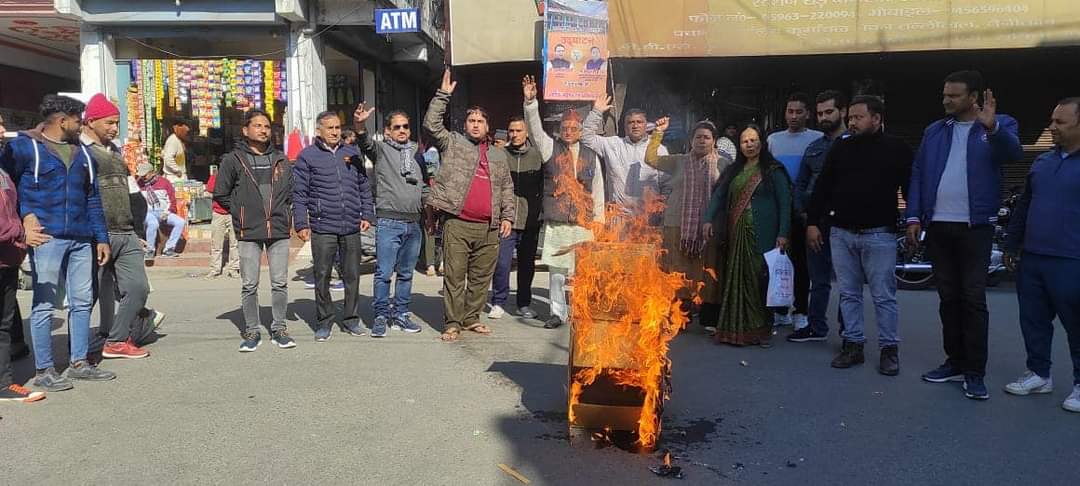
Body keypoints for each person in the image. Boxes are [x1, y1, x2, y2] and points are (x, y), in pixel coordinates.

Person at [907, 71, 1023, 400]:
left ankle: (975, 372)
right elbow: (918, 172)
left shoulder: (1000, 124)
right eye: (945, 94)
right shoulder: (934, 130)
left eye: (954, 95)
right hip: (938, 225)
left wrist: (993, 127)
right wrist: (913, 215)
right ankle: (954, 362)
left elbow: (1013, 154)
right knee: (948, 297)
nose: (946, 100)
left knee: (973, 298)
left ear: (973, 97)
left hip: (976, 227)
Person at [0, 94, 116, 390]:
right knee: (44, 303)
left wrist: (100, 237)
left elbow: (92, 197)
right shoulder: (23, 147)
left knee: (82, 301)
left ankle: (79, 363)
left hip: (81, 237)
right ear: (62, 121)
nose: (81, 126)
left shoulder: (83, 153)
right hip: (46, 238)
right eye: (78, 121)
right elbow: (7, 191)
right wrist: (24, 219)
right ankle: (44, 369)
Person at [807, 95, 912, 375]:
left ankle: (889, 350)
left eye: (858, 117)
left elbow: (910, 187)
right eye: (850, 117)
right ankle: (853, 345)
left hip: (880, 234)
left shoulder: (897, 148)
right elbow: (823, 187)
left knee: (883, 296)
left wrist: (914, 219)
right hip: (841, 234)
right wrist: (813, 222)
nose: (852, 122)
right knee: (848, 294)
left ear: (876, 118)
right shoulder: (841, 148)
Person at [423, 69, 515, 341]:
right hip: (458, 223)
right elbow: (431, 125)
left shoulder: (498, 155)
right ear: (465, 125)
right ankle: (452, 322)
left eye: (480, 121)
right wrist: (443, 95)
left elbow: (507, 188)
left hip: (489, 227)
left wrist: (507, 216)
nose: (475, 125)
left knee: (480, 277)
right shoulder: (453, 142)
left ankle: (471, 318)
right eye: (471, 120)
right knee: (454, 276)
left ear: (488, 126)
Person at [1002, 97, 1080, 413]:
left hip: (1072, 259)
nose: (1052, 127)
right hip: (1033, 257)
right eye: (1052, 120)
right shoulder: (1042, 162)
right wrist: (1011, 244)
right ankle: (1039, 374)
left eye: (1060, 122)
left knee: (1077, 324)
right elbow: (1024, 205)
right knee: (1033, 320)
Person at [523, 75, 604, 329]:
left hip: (583, 223)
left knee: (583, 272)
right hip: (558, 222)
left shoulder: (592, 155)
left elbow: (598, 190)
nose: (569, 131)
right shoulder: (550, 148)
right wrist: (531, 104)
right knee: (557, 272)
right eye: (565, 127)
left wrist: (599, 220)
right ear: (560, 129)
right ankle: (558, 313)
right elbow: (535, 131)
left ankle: (581, 311)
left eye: (573, 128)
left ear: (580, 131)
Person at [213, 109, 296, 352]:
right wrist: (242, 212)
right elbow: (221, 193)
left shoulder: (281, 159)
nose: (263, 130)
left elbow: (291, 192)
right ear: (245, 130)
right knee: (249, 284)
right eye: (258, 125)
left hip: (278, 228)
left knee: (279, 282)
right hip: (248, 230)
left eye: (267, 126)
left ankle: (279, 328)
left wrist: (286, 214)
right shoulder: (233, 160)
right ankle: (252, 330)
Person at [80, 94, 156, 359]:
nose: (114, 128)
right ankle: (77, 351)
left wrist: (138, 232)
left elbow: (134, 195)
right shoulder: (80, 152)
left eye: (117, 123)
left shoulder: (116, 153)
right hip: (98, 234)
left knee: (138, 288)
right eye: (110, 122)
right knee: (87, 295)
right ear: (91, 121)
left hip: (126, 232)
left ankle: (116, 340)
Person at [704, 125, 791, 346]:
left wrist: (783, 233)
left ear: (762, 142)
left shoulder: (773, 170)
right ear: (739, 146)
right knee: (736, 278)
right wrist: (708, 219)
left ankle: (762, 330)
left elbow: (785, 203)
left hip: (764, 233)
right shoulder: (734, 171)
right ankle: (736, 328)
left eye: (753, 140)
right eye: (744, 141)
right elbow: (719, 196)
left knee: (759, 279)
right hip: (736, 233)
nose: (749, 145)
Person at [292, 111, 374, 341]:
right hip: (323, 225)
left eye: (338, 127)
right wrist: (301, 223)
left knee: (352, 275)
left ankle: (351, 319)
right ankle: (324, 321)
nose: (335, 132)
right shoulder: (307, 156)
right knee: (322, 275)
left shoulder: (351, 153)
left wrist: (367, 213)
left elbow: (363, 186)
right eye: (330, 128)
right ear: (319, 130)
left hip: (350, 224)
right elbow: (300, 193)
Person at [647, 118, 733, 334]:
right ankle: (680, 317)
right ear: (691, 140)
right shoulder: (679, 161)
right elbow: (650, 159)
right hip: (678, 226)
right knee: (678, 271)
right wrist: (658, 133)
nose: (702, 141)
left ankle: (709, 317)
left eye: (706, 137)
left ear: (714, 141)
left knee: (709, 271)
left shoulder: (724, 164)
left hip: (709, 228)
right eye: (698, 137)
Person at [353, 104, 426, 337]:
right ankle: (381, 316)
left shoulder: (416, 153)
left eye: (405, 126)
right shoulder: (381, 150)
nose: (402, 130)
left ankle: (401, 315)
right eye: (397, 127)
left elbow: (423, 185)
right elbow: (364, 141)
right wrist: (359, 124)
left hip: (414, 223)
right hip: (389, 222)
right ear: (387, 131)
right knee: (384, 273)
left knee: (406, 274)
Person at [789, 90, 849, 343]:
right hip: (815, 222)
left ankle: (849, 331)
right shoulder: (814, 148)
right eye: (820, 113)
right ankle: (816, 326)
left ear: (842, 111)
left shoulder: (855, 143)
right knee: (818, 278)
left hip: (847, 223)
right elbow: (801, 185)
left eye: (829, 112)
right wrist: (804, 215)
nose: (824, 117)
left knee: (848, 282)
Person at [490, 80, 545, 320]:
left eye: (518, 130)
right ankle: (498, 301)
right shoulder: (500, 154)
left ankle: (524, 303)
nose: (514, 134)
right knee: (502, 263)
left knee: (526, 265)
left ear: (526, 132)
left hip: (531, 220)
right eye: (511, 131)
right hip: (507, 220)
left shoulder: (538, 154)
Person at [767, 92, 822, 330]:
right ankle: (780, 310)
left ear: (808, 114)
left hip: (804, 210)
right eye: (790, 111)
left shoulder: (817, 139)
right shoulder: (773, 140)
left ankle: (801, 310)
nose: (794, 116)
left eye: (799, 112)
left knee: (801, 261)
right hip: (779, 208)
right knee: (779, 259)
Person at [0, 137, 47, 402]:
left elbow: (13, 207)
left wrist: (26, 219)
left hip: (7, 259)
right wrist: (21, 233)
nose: (2, 130)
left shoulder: (3, 171)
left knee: (4, 325)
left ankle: (3, 384)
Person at [583, 95, 667, 215]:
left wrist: (661, 212)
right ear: (625, 126)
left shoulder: (658, 149)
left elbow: (666, 184)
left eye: (639, 122)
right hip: (618, 216)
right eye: (630, 122)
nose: (635, 126)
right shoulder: (612, 144)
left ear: (646, 125)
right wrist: (597, 112)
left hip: (648, 217)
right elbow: (585, 137)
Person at [138, 163, 186, 259]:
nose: (143, 177)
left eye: (145, 175)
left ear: (152, 173)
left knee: (180, 222)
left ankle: (169, 248)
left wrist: (167, 212)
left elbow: (172, 200)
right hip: (147, 212)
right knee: (153, 223)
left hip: (163, 211)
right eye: (141, 175)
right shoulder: (139, 184)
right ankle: (150, 250)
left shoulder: (164, 182)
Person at [205, 166, 240, 279]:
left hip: (233, 213)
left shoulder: (236, 176)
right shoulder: (215, 177)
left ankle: (234, 269)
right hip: (218, 213)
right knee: (216, 244)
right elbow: (209, 191)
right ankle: (215, 269)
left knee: (235, 243)